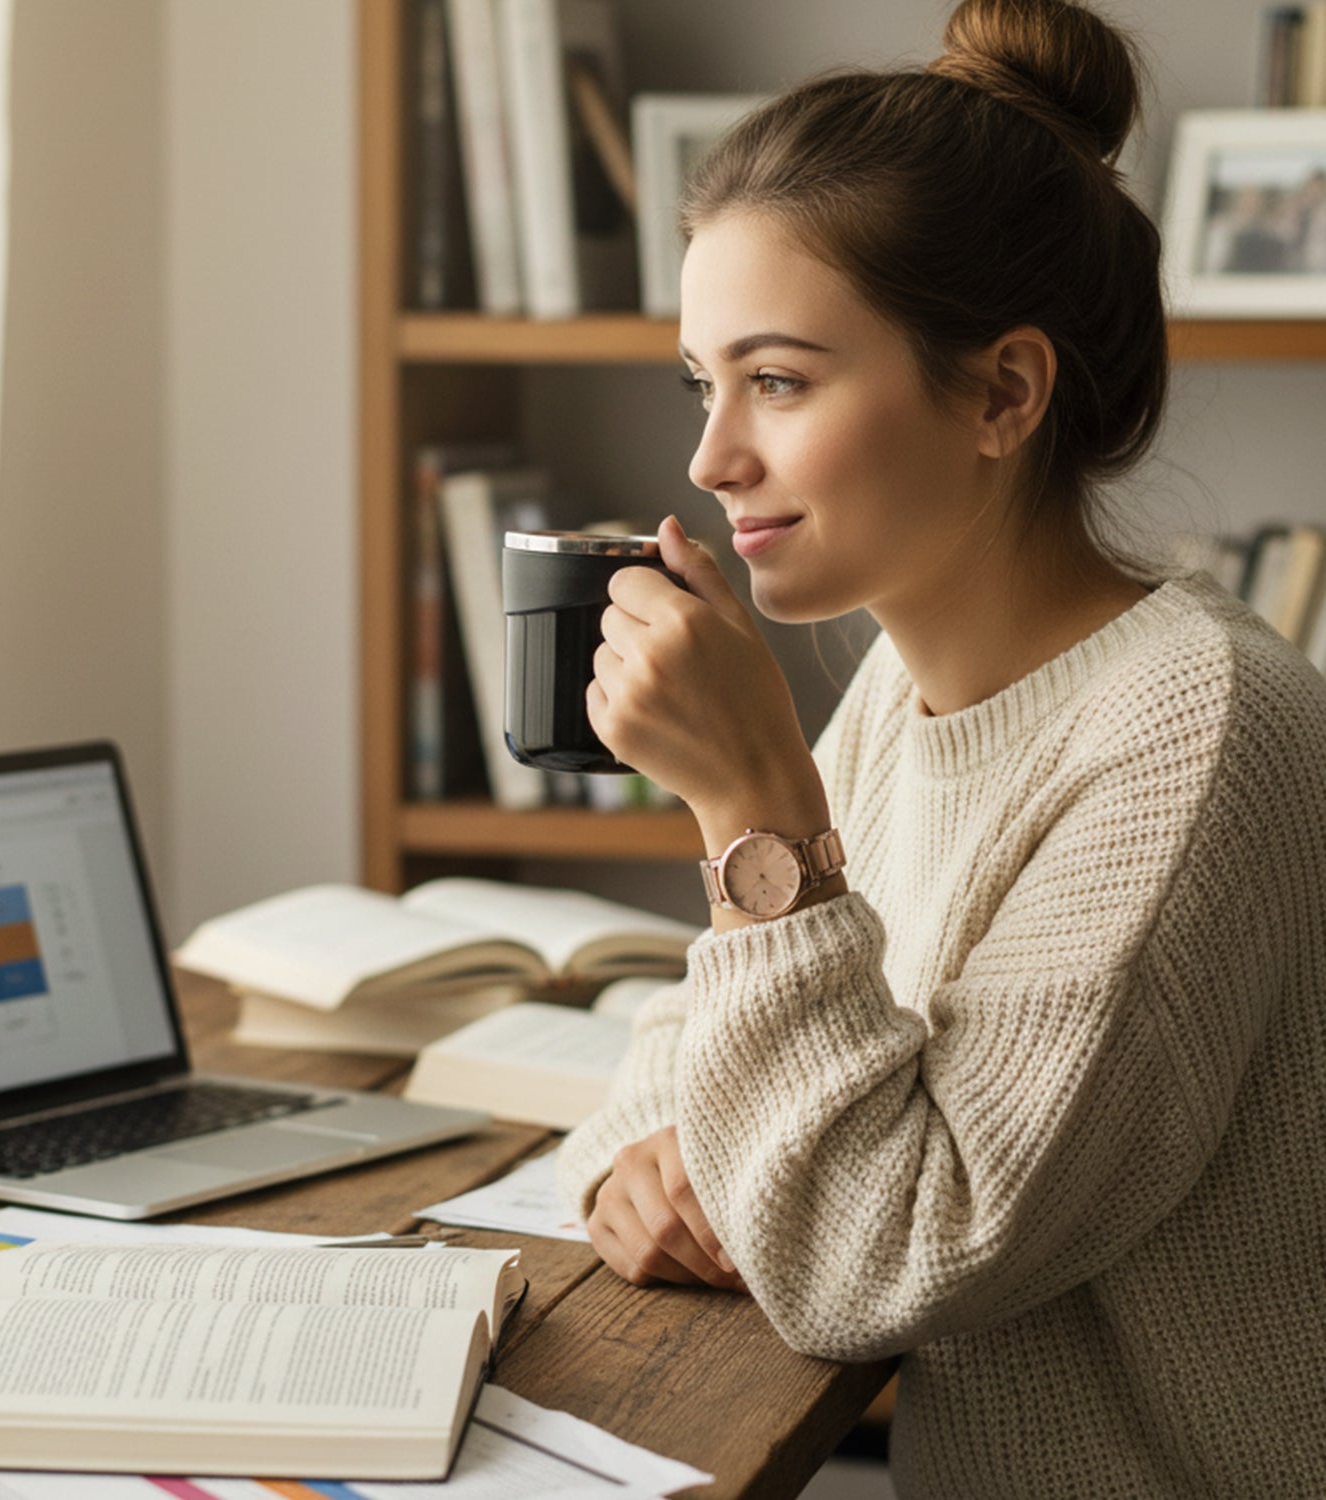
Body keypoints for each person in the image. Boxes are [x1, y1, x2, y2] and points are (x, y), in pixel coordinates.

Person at [554, 0, 1326, 1495]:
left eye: (776, 381)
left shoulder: (1201, 736)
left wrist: (751, 809)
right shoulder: (907, 694)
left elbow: (874, 1253)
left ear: (1004, 392)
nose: (711, 460)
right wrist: (630, 1165)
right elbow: (683, 1049)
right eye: (701, 386)